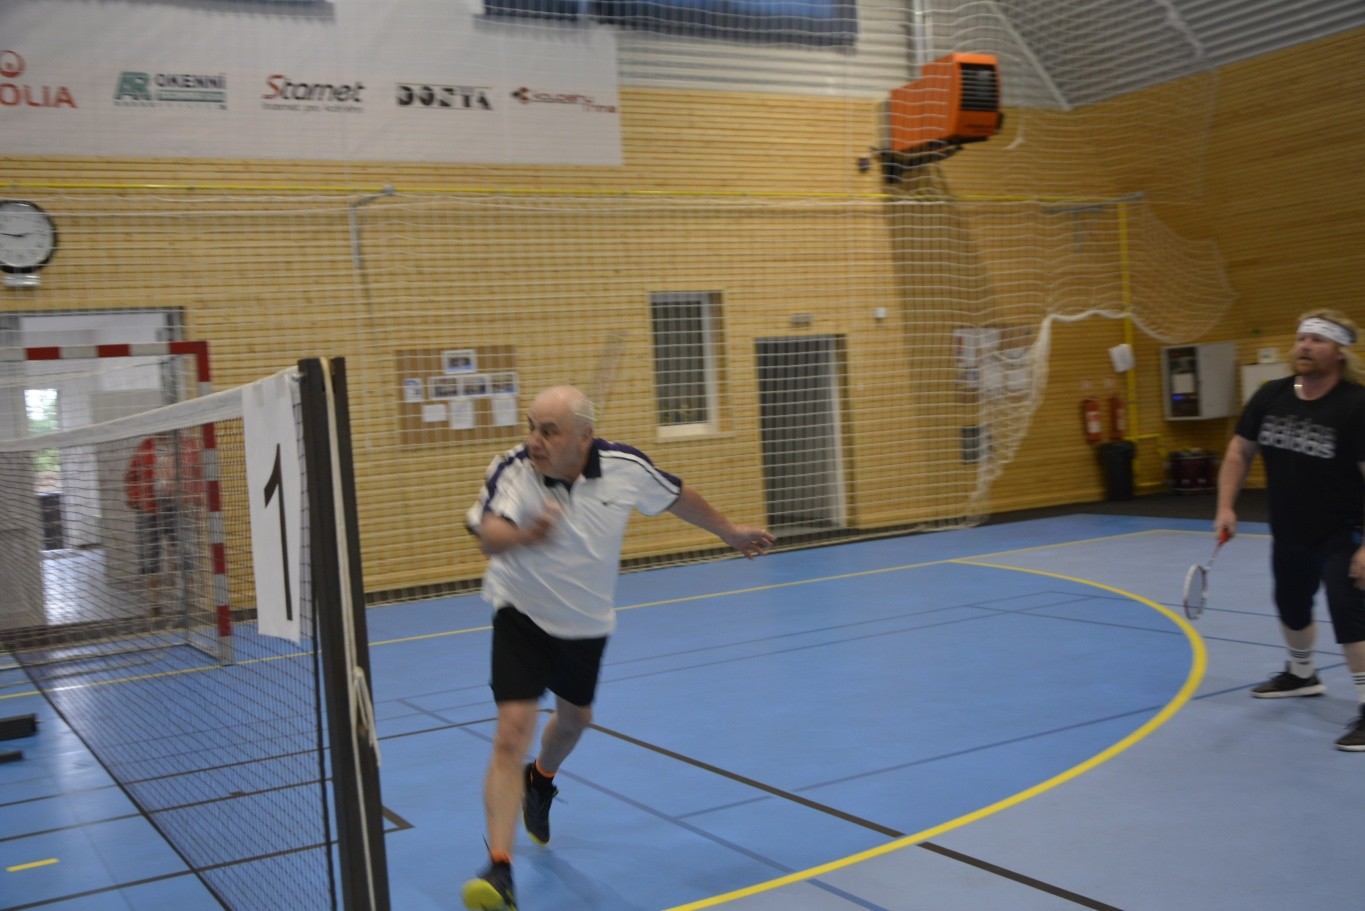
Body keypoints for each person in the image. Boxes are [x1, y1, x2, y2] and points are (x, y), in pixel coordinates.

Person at [460, 385, 774, 911]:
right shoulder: (514, 469)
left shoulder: (624, 467)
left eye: (549, 431)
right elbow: (489, 534)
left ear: (584, 436)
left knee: (575, 720)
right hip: (521, 613)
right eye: (531, 427)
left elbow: (676, 495)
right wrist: (527, 536)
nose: (535, 440)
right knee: (511, 732)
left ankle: (541, 780)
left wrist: (730, 532)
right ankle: (499, 870)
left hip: (584, 623)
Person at [1215, 309, 1365, 752]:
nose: (1305, 346)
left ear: (1339, 352)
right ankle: (1302, 674)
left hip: (1345, 531)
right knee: (1290, 603)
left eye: (1318, 340)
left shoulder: (1356, 405)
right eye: (1302, 338)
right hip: (1289, 530)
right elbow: (1239, 452)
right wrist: (1226, 506)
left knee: (1348, 611)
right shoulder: (1271, 395)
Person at [124, 429, 204, 616]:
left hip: (179, 507)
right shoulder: (145, 447)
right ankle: (155, 605)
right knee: (151, 556)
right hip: (149, 509)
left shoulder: (188, 446)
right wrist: (136, 500)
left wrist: (196, 501)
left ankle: (188, 602)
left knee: (185, 554)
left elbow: (198, 475)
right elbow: (131, 477)